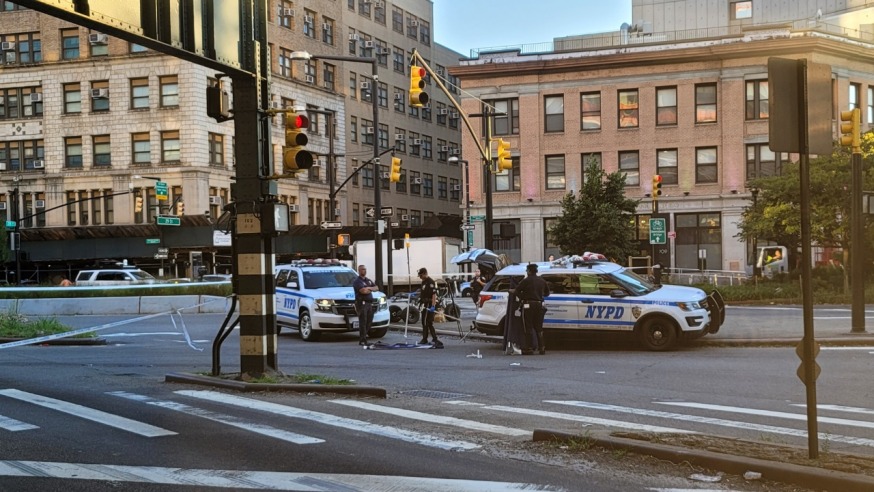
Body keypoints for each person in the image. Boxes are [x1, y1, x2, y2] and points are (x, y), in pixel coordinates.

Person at [514, 263, 551, 355]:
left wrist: (522, 297)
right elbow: (547, 293)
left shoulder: (526, 280)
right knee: (539, 327)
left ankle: (529, 348)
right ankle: (542, 348)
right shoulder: (542, 281)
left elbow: (517, 291)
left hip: (528, 305)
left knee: (528, 326)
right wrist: (539, 295)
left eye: (527, 270)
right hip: (539, 304)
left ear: (529, 271)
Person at [352, 265, 378, 346]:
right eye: (363, 269)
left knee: (369, 321)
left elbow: (377, 287)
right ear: (359, 270)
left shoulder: (368, 280)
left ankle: (364, 337)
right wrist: (370, 289)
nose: (364, 271)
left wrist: (368, 288)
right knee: (363, 321)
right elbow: (363, 291)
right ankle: (362, 340)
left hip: (369, 303)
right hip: (361, 303)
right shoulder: (357, 281)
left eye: (365, 269)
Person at [417, 267, 442, 347]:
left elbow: (433, 295)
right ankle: (433, 338)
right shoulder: (423, 282)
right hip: (424, 303)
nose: (420, 277)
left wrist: (433, 305)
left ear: (425, 274)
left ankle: (426, 338)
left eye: (421, 275)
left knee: (426, 321)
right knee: (426, 322)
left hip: (429, 303)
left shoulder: (430, 282)